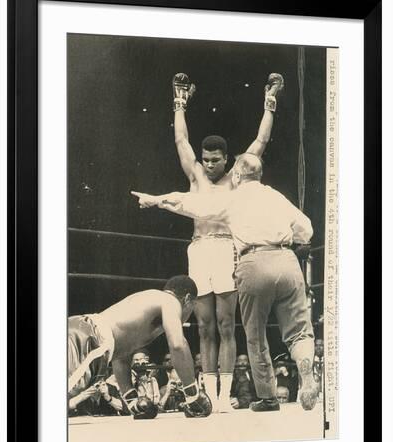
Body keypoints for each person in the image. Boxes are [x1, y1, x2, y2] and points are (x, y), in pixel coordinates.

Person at [131, 153, 318, 411]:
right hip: (287, 260)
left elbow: (190, 203)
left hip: (254, 261)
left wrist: (157, 201)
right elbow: (306, 229)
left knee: (255, 335)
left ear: (238, 175)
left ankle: (268, 397)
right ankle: (305, 364)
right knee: (299, 330)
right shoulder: (276, 196)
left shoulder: (232, 198)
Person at [170, 72, 284, 412]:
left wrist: (270, 101)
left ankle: (223, 397)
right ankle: (208, 395)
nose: (208, 164)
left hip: (225, 249)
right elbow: (180, 140)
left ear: (226, 159)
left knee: (225, 324)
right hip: (198, 250)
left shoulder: (237, 176)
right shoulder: (195, 175)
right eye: (205, 159)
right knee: (204, 326)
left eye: (214, 160)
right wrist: (179, 103)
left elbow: (261, 142)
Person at [67, 275, 212, 419]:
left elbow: (120, 357)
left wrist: (132, 400)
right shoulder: (170, 302)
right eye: (192, 309)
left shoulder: (148, 304)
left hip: (84, 331)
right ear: (187, 299)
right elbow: (178, 345)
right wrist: (193, 394)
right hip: (90, 339)